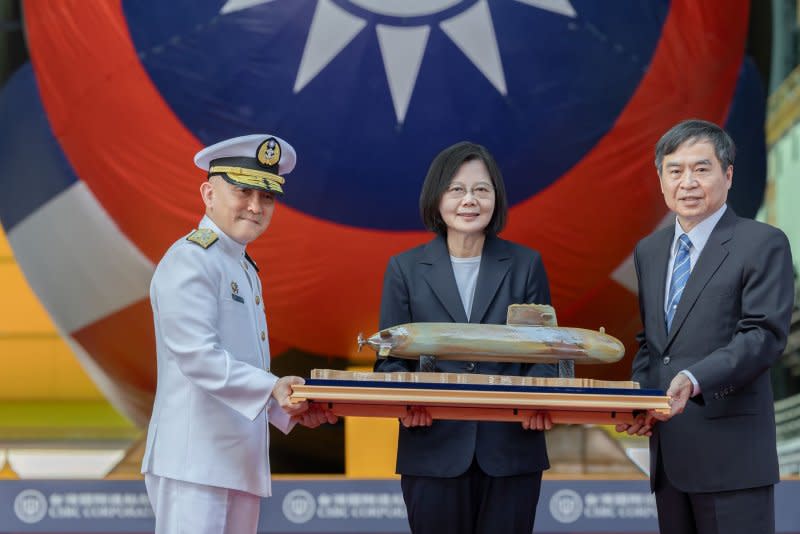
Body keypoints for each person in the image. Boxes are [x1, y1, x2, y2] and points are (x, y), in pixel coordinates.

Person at [141, 134, 336, 534]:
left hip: (235, 463)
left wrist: (289, 407)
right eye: (243, 191)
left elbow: (242, 367)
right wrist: (273, 388)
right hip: (194, 463)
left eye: (267, 197)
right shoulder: (191, 260)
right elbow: (198, 357)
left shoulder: (242, 267)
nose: (255, 206)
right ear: (208, 193)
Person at [616, 119, 794, 534]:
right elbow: (653, 342)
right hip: (670, 455)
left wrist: (693, 379)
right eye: (675, 170)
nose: (688, 182)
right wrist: (642, 401)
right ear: (660, 179)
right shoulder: (650, 250)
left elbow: (763, 336)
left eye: (702, 169)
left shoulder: (762, 242)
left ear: (728, 175)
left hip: (733, 458)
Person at [374, 141, 556, 534]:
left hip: (512, 449)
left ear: (496, 198)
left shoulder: (526, 265)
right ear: (436, 197)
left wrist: (536, 402)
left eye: (481, 189)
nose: (469, 200)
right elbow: (389, 358)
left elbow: (546, 353)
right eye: (456, 189)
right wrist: (410, 401)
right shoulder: (404, 269)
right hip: (432, 446)